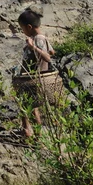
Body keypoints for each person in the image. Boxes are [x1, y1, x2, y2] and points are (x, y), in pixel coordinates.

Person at [17, 9, 56, 137]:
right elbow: (52, 52)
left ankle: (27, 131)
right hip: (33, 77)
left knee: (24, 105)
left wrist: (33, 47)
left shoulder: (38, 38)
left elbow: (47, 57)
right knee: (33, 107)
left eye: (22, 28)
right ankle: (36, 133)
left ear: (29, 27)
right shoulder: (40, 38)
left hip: (33, 78)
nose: (22, 31)